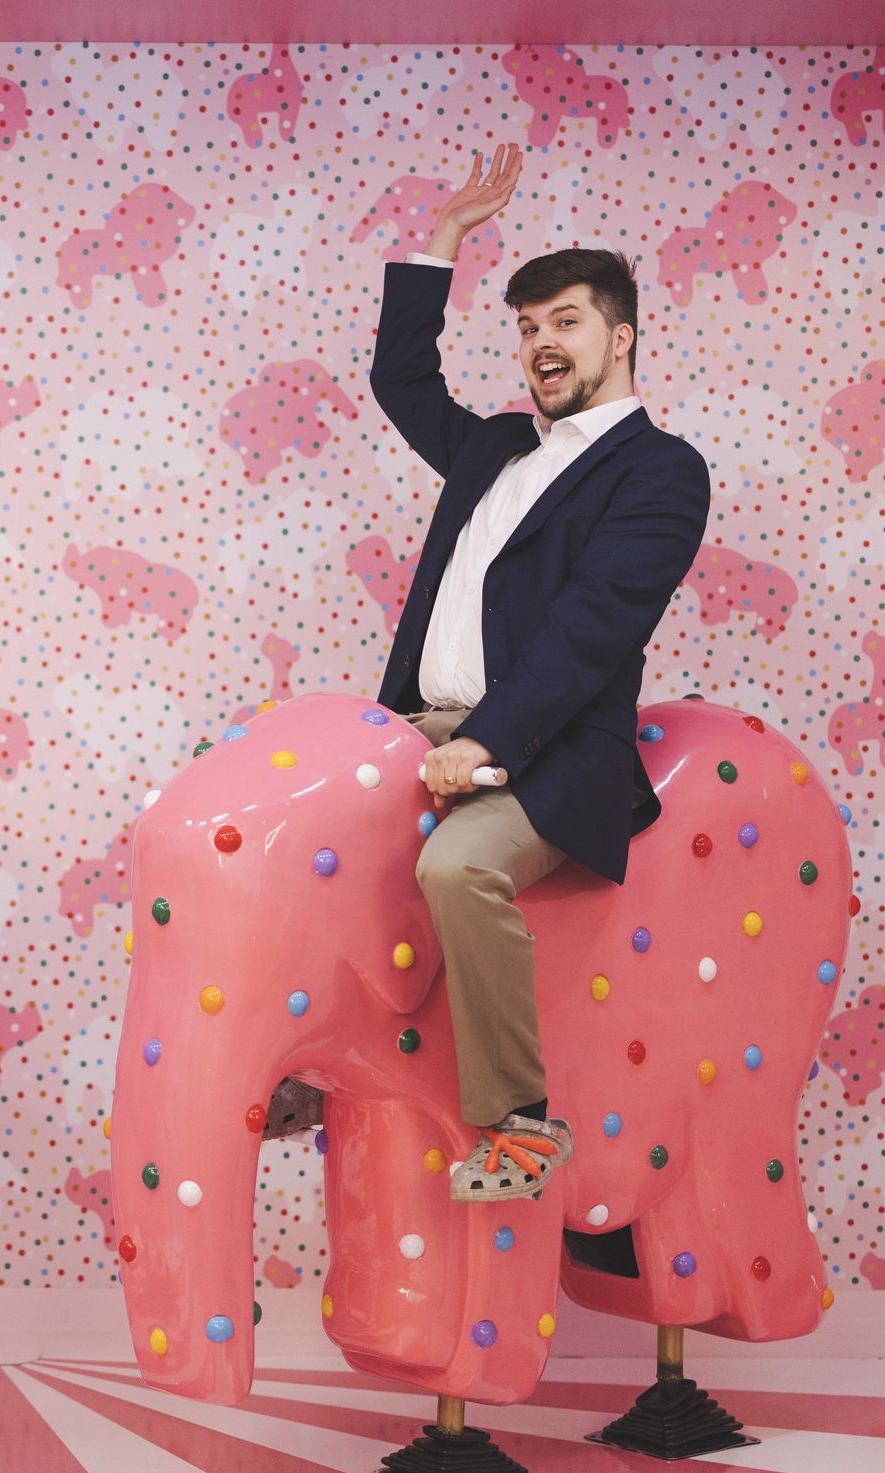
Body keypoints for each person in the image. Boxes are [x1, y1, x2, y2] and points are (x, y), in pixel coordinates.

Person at [268, 146, 711, 1203]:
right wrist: (442, 244)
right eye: (524, 328)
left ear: (621, 335)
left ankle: (516, 1124)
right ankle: (302, 1066)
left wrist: (486, 743)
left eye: (563, 322)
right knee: (279, 826)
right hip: (416, 725)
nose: (540, 346)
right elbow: (399, 379)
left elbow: (591, 626)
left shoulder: (660, 470)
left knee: (453, 869)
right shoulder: (494, 449)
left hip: (548, 746)